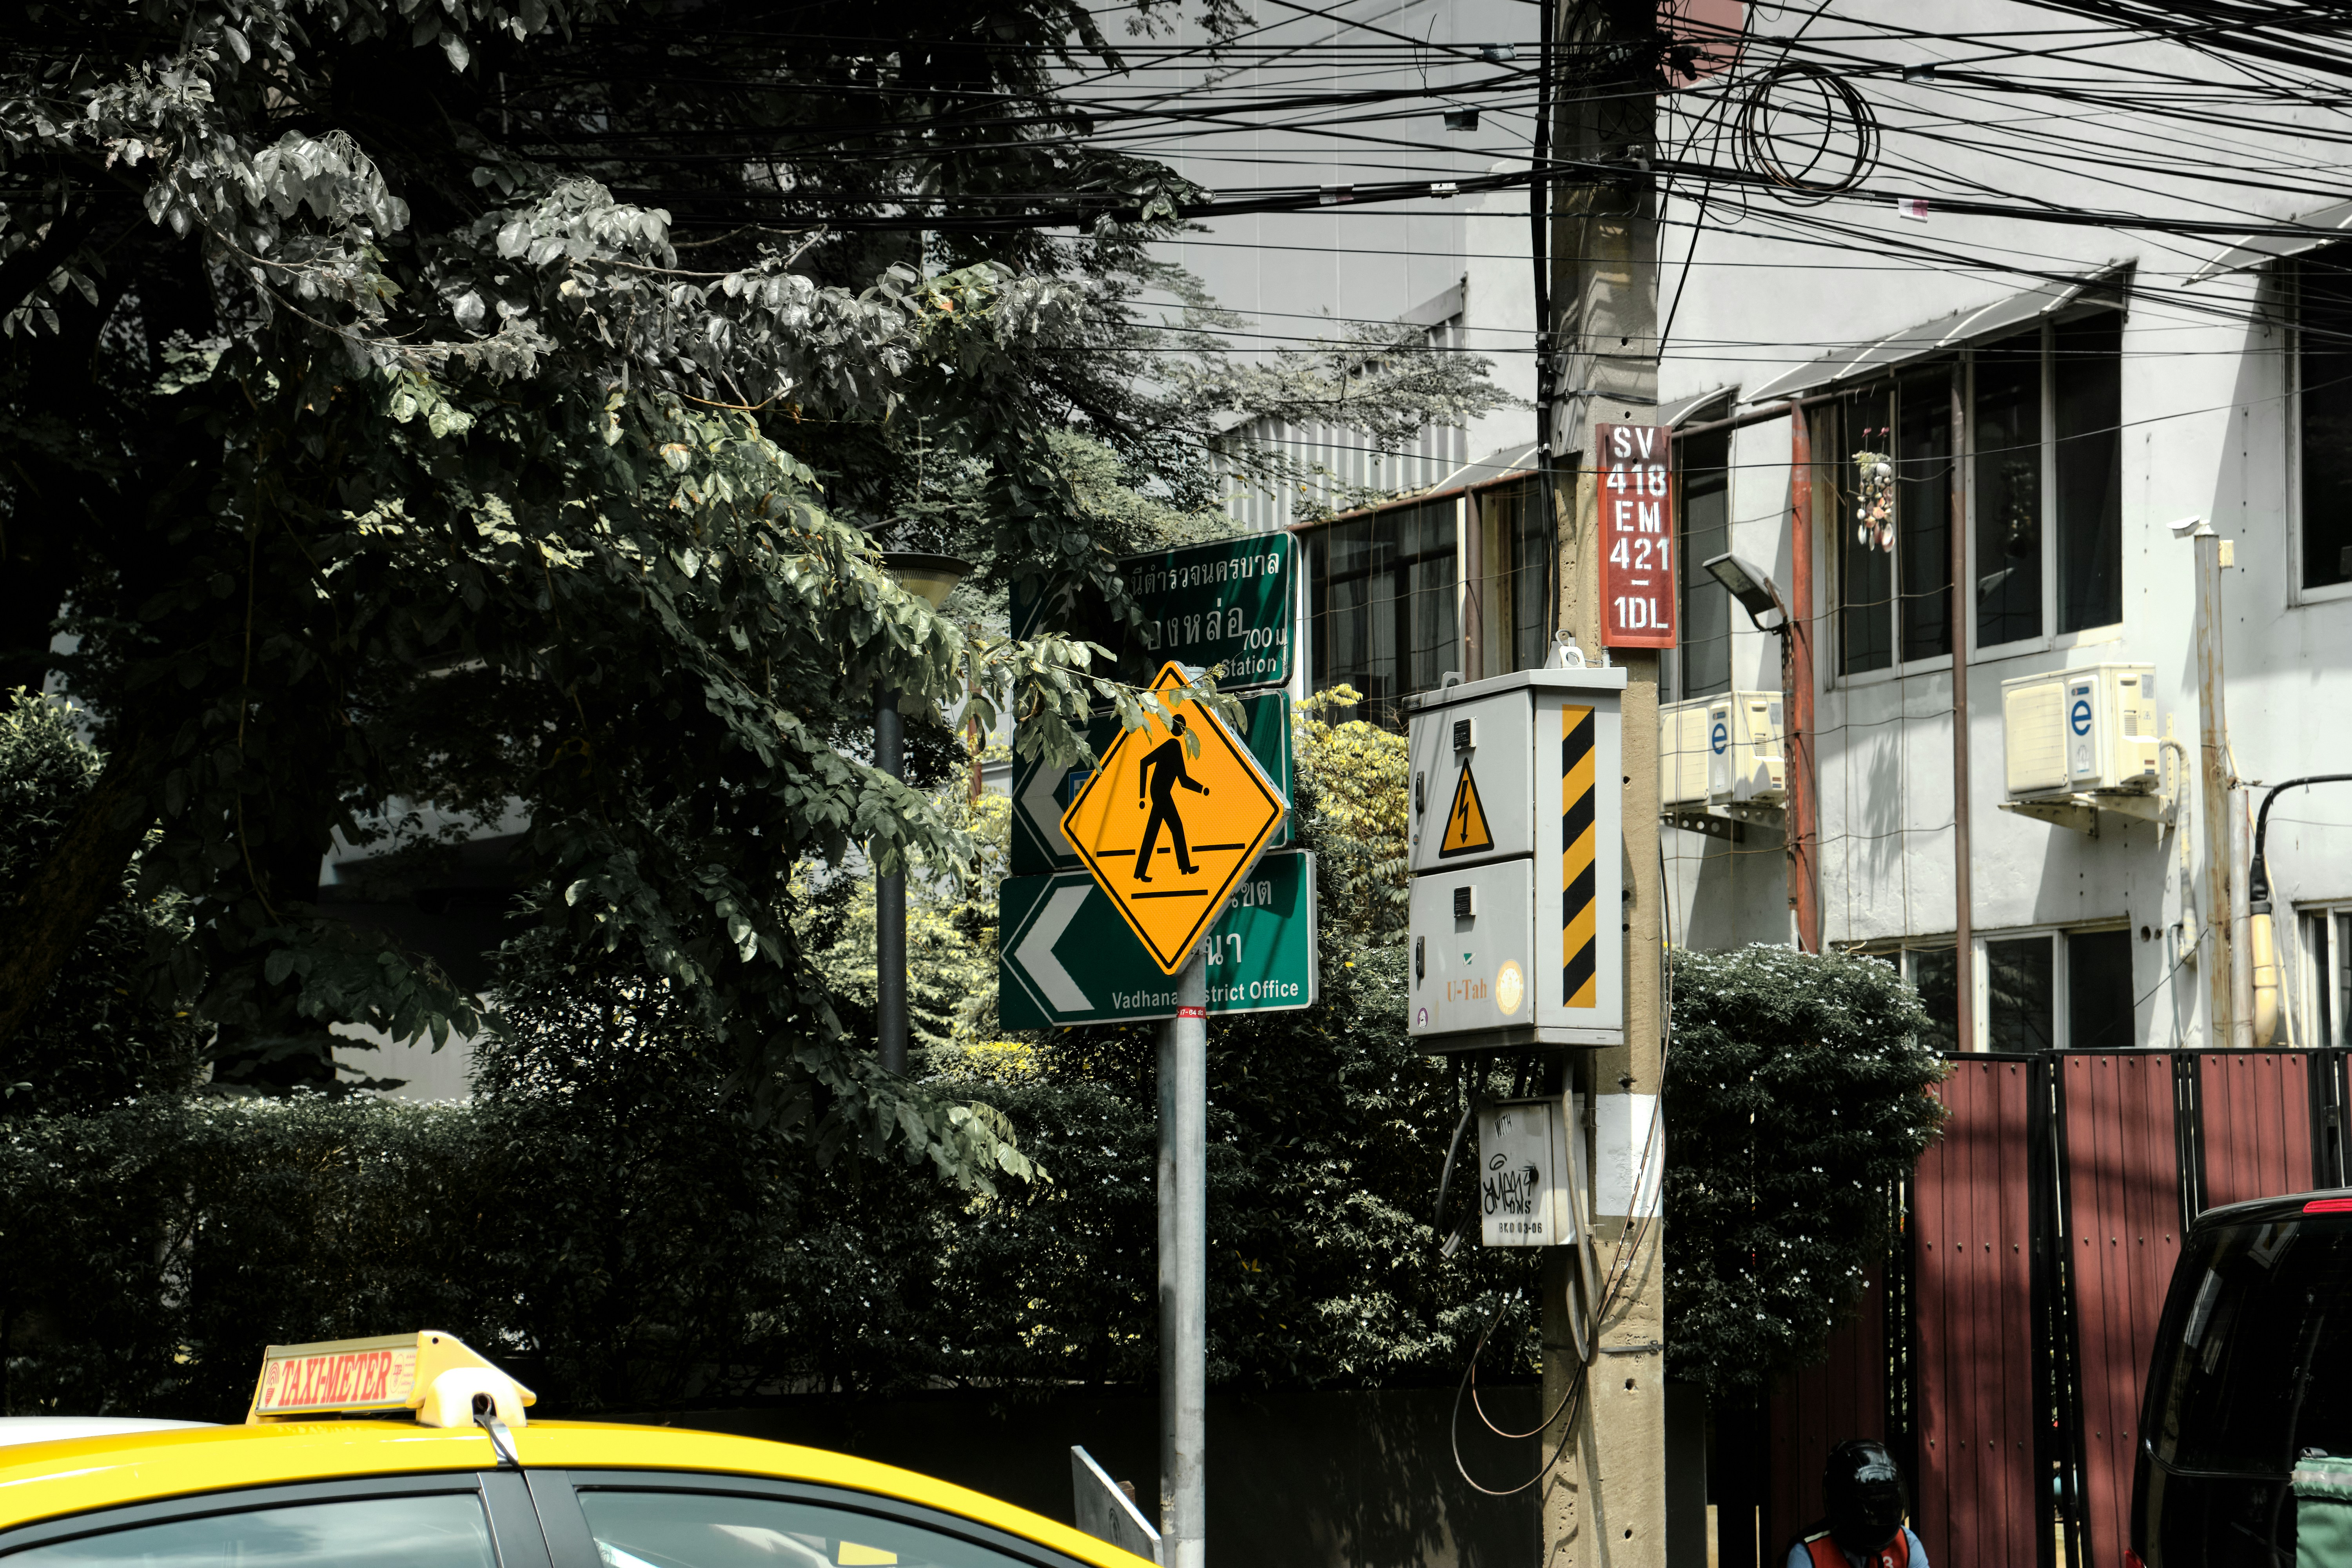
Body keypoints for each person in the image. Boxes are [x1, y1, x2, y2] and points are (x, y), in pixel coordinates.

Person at [1787, 1439, 1927, 1568]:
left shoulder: (1906, 1544)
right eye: (1869, 1507)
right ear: (1842, 1507)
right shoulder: (1809, 1553)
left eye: (1884, 1505)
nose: (1877, 1517)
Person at [1133, 714, 1209, 883]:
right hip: (1159, 793)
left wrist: (1201, 789)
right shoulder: (1172, 745)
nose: (1182, 730)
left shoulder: (1176, 748)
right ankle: (1185, 868)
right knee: (1175, 827)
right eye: (1181, 727)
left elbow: (1183, 781)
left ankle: (1140, 873)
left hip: (1161, 793)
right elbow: (1144, 762)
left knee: (1154, 831)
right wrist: (1142, 795)